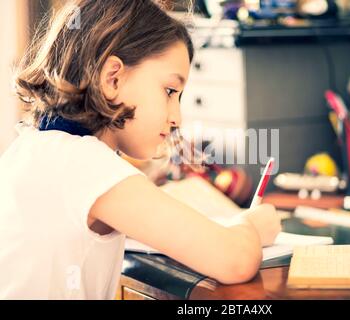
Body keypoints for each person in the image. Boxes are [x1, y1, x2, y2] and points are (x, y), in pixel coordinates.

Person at [0, 0, 281, 299]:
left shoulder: (34, 146)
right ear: (113, 78)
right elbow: (235, 260)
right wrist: (250, 226)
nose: (177, 117)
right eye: (170, 91)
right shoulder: (88, 164)